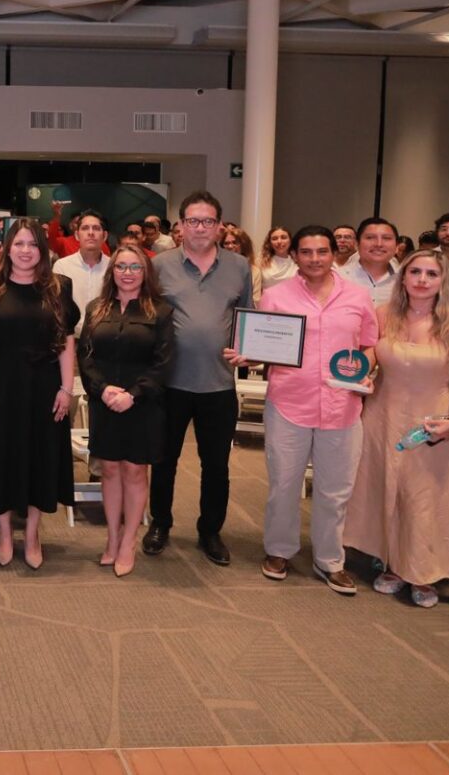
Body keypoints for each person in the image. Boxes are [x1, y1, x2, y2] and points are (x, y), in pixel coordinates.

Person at [243, 226, 378, 594]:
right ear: (295, 256)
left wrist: (362, 370)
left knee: (335, 490)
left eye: (322, 251)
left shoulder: (358, 296)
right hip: (290, 402)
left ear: (334, 253)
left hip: (342, 405)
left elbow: (369, 344)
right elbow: (263, 345)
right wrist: (248, 354)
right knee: (284, 484)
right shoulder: (276, 296)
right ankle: (279, 550)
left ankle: (330, 559)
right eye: (306, 252)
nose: (314, 259)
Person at [344, 249, 449, 608]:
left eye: (431, 274)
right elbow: (368, 356)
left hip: (432, 422)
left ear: (443, 281)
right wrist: (357, 373)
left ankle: (422, 571)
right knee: (386, 487)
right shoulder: (383, 315)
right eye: (414, 271)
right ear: (402, 277)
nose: (421, 280)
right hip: (382, 416)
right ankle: (392, 564)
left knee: (423, 496)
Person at [144, 192, 252, 566]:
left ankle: (210, 531)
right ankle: (160, 523)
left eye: (208, 221)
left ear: (219, 226)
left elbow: (247, 316)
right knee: (164, 460)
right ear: (181, 225)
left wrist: (248, 349)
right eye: (193, 220)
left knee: (216, 466)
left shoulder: (239, 266)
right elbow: (147, 315)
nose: (200, 228)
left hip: (219, 384)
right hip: (169, 383)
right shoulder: (159, 265)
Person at [0, 219, 78, 571]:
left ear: (42, 250)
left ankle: (32, 534)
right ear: (6, 249)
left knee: (40, 456)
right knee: (1, 456)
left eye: (32, 244)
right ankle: (4, 533)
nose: (26, 251)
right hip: (1, 384)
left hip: (45, 384)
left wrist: (66, 388)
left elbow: (67, 341)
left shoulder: (59, 287)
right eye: (19, 244)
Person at [79, 243, 174, 578]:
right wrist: (103, 389)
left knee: (134, 471)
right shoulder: (96, 308)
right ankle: (112, 536)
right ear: (112, 271)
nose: (128, 273)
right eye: (121, 266)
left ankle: (129, 540)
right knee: (109, 469)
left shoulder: (160, 311)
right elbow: (85, 356)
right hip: (104, 401)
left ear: (145, 272)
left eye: (135, 267)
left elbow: (164, 362)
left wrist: (133, 395)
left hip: (143, 404)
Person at [53, 209, 109, 336]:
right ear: (77, 235)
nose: (91, 233)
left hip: (104, 336)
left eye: (96, 228)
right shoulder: (62, 266)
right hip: (70, 337)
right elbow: (58, 309)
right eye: (85, 228)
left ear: (104, 236)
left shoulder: (113, 267)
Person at [339, 217, 400, 307]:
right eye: (370, 238)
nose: (379, 244)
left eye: (386, 238)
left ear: (397, 246)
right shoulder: (338, 278)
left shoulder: (404, 280)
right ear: (357, 244)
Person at [220, 226, 262, 305]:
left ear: (244, 245)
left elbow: (255, 301)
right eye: (226, 243)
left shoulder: (254, 271)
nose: (230, 246)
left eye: (235, 243)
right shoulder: (217, 267)